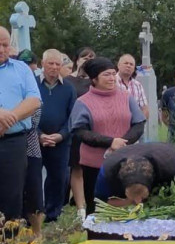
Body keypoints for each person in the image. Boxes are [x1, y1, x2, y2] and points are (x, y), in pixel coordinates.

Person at [69, 57, 146, 213]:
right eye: (106, 75)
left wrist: (123, 143)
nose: (112, 78)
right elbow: (80, 131)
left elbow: (139, 123)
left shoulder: (125, 97)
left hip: (124, 161)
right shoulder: (83, 102)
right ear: (94, 79)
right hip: (94, 164)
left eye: (113, 73)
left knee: (125, 204)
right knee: (97, 208)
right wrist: (110, 142)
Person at [0, 26, 41, 224]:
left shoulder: (21, 69)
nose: (1, 49)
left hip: (13, 143)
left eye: (5, 45)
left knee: (12, 195)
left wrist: (11, 117)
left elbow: (34, 100)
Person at [95, 141, 175, 205]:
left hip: (160, 154)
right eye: (134, 198)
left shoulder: (174, 167)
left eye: (142, 197)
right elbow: (101, 201)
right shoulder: (107, 173)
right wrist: (127, 202)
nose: (138, 202)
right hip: (123, 157)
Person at [38, 49, 76, 223]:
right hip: (35, 139)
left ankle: (53, 214)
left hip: (60, 141)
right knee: (33, 177)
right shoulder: (33, 84)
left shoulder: (68, 88)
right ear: (42, 64)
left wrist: (61, 135)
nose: (54, 67)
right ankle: (35, 212)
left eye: (57, 64)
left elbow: (72, 117)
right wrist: (39, 135)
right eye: (50, 63)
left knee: (58, 178)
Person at [66, 47, 95, 216]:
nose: (88, 59)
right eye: (85, 57)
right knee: (77, 168)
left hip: (93, 130)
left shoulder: (95, 81)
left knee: (91, 169)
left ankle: (93, 203)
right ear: (77, 60)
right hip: (75, 129)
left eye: (92, 57)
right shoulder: (68, 81)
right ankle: (80, 208)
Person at [116, 53, 149, 118]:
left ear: (134, 68)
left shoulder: (138, 85)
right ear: (118, 65)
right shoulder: (111, 82)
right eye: (126, 63)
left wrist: (139, 124)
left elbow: (144, 109)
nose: (128, 66)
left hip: (135, 125)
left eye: (131, 64)